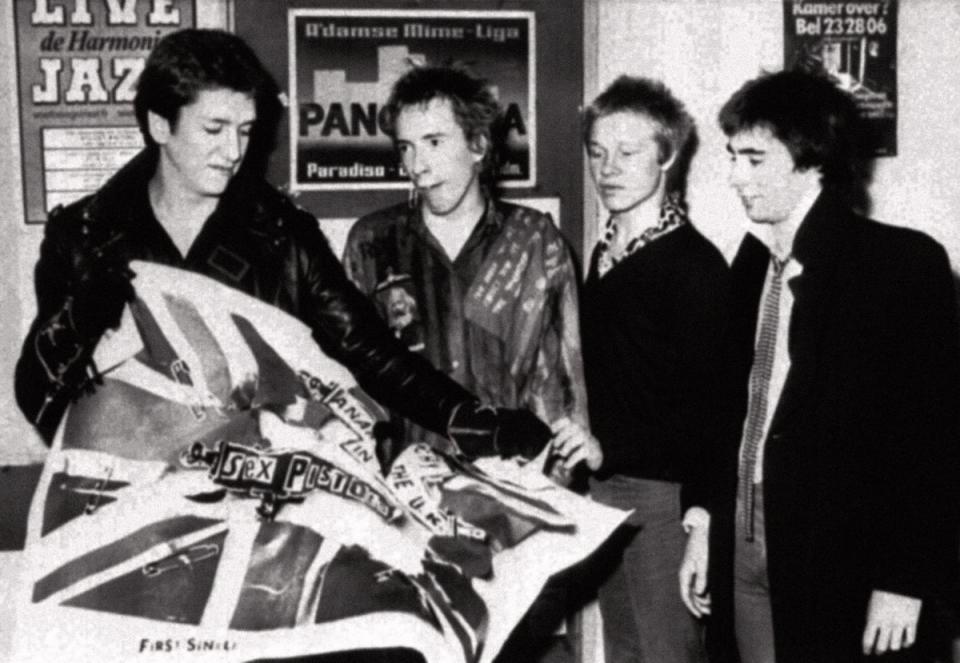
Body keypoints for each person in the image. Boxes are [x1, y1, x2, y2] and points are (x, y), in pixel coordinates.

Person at [14, 30, 552, 476]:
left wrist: (469, 417)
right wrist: (78, 320)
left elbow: (366, 349)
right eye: (214, 129)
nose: (233, 152)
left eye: (245, 130)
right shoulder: (84, 234)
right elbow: (37, 398)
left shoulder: (279, 233)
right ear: (160, 124)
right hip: (130, 501)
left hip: (256, 507)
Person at [679, 69, 960, 663]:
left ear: (811, 162)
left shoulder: (899, 266)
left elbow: (932, 441)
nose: (734, 177)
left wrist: (905, 580)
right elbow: (723, 411)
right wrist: (705, 522)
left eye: (754, 159)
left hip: (848, 562)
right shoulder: (753, 266)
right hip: (746, 538)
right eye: (733, 157)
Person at [343, 65, 601, 662]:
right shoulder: (372, 243)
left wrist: (552, 510)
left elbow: (561, 390)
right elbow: (353, 392)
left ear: (479, 145)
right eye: (405, 147)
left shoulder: (536, 242)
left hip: (511, 515)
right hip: (406, 517)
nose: (417, 164)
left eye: (434, 143)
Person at [580, 75, 729, 663]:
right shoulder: (604, 251)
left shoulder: (695, 267)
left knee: (665, 654)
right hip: (604, 490)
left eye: (628, 152)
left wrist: (700, 523)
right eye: (597, 152)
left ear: (666, 156)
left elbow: (709, 416)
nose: (608, 168)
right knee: (624, 653)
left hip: (664, 500)